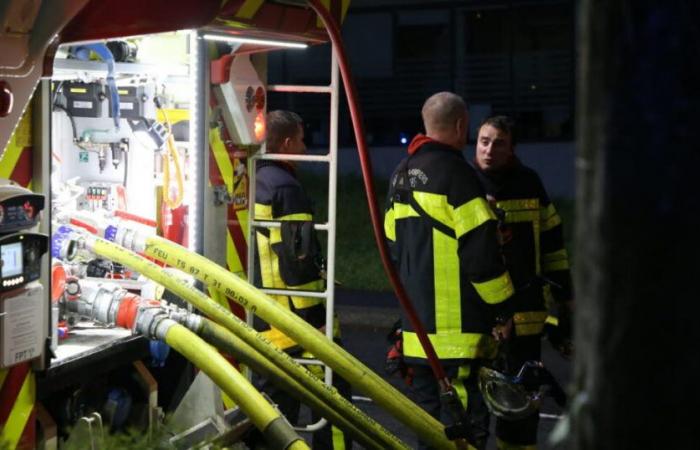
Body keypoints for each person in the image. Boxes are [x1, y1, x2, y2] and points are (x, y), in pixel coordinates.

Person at [384, 92, 516, 449]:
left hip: (417, 337)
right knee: (465, 434)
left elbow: (393, 245)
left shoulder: (400, 175)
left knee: (430, 433)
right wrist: (504, 310)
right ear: (461, 126)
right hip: (460, 339)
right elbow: (482, 258)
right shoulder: (459, 176)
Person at [472, 115, 574, 450]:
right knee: (474, 410)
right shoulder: (466, 183)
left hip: (526, 316)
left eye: (498, 143)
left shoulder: (529, 183)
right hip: (479, 318)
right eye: (484, 141)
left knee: (519, 410)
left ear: (512, 147)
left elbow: (553, 247)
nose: (489, 150)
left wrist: (566, 300)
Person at [251, 110, 350, 449]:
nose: (306, 147)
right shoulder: (285, 188)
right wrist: (317, 322)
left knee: (274, 419)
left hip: (266, 321)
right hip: (297, 325)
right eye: (302, 140)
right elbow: (298, 265)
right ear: (288, 142)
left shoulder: (252, 180)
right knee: (334, 406)